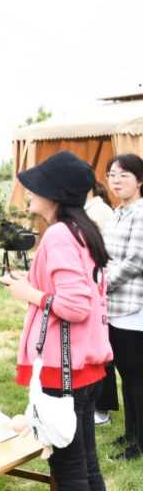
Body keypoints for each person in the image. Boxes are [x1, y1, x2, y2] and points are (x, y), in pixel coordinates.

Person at [0, 151, 111, 490]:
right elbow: (76, 288)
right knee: (86, 465)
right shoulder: (82, 230)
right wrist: (32, 282)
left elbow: (75, 305)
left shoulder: (59, 234)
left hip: (63, 369)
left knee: (69, 471)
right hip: (84, 366)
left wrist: (30, 294)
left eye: (37, 185)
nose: (30, 192)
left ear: (55, 194)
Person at [102, 153, 143, 460]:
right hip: (114, 306)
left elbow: (135, 261)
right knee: (126, 375)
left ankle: (140, 444)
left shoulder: (141, 213)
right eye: (111, 175)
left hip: (134, 307)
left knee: (137, 376)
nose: (116, 181)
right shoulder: (118, 212)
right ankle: (131, 433)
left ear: (140, 180)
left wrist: (102, 284)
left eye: (123, 175)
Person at [87, 179, 118, 428]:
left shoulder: (100, 212)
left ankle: (102, 408)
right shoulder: (90, 211)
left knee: (102, 351)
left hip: (100, 288)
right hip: (92, 287)